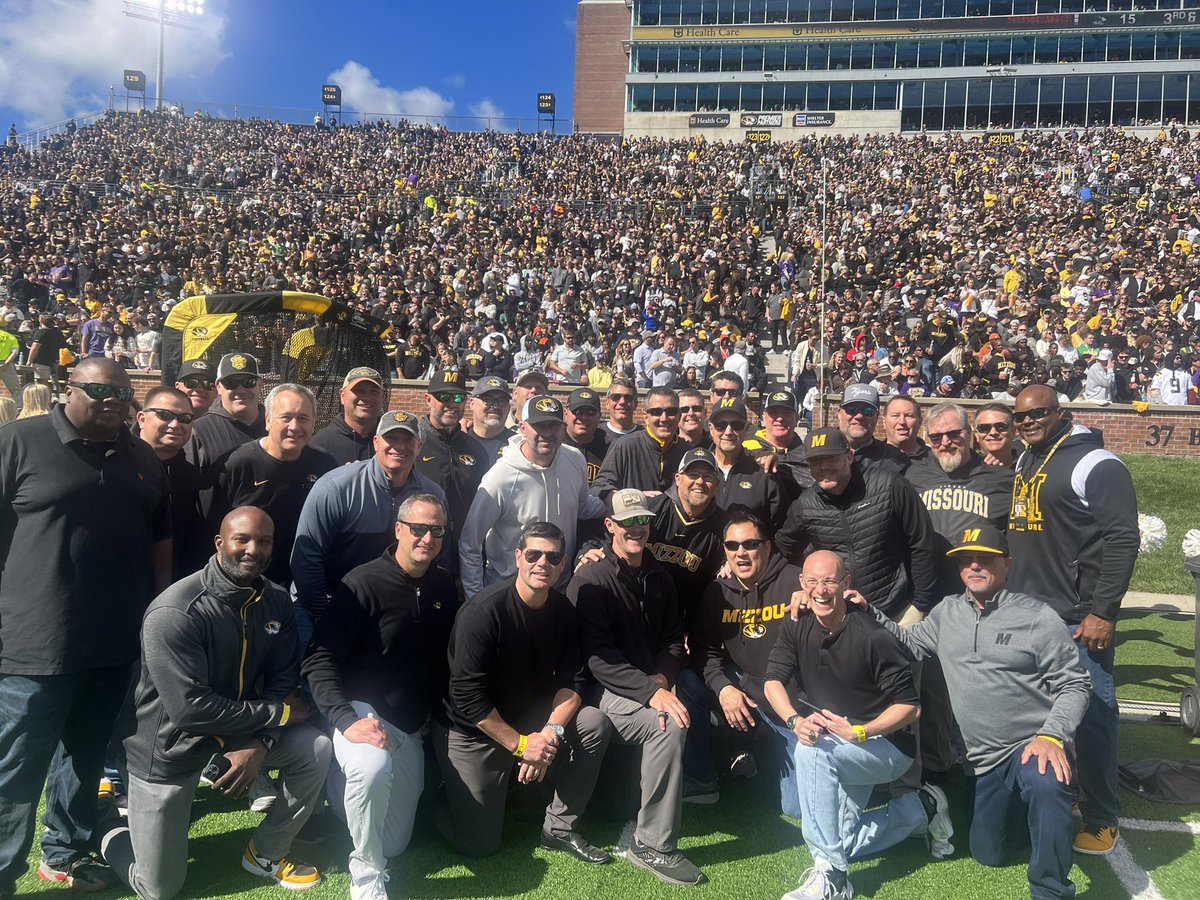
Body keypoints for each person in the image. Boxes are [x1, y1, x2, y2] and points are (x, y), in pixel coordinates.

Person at [0, 358, 171, 897]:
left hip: (114, 642)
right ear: (67, 389)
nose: (112, 399)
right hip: (34, 642)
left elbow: (158, 538)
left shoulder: (142, 457)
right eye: (98, 389)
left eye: (122, 391)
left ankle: (65, 852)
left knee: (86, 754)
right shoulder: (18, 442)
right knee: (15, 768)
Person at [98, 508, 331, 899]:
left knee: (315, 748)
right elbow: (190, 709)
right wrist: (278, 715)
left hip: (237, 734)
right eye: (242, 539)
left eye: (264, 541)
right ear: (220, 543)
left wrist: (261, 742)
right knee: (158, 888)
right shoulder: (175, 610)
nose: (253, 549)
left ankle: (266, 853)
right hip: (168, 750)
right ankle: (101, 819)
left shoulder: (276, 600)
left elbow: (282, 679)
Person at [853, 523, 1090, 900]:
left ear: (1007, 564)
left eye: (985, 559)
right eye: (966, 560)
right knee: (988, 854)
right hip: (981, 761)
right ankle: (1033, 820)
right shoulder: (947, 612)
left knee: (1047, 782)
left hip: (1031, 744)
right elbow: (909, 644)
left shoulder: (1038, 618)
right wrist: (868, 611)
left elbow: (1075, 684)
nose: (975, 566)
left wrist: (1051, 736)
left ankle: (1051, 888)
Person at [765, 551, 952, 900]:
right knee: (843, 840)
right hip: (839, 743)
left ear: (846, 584)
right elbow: (772, 680)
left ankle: (833, 878)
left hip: (887, 747)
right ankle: (922, 809)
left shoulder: (873, 636)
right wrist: (794, 720)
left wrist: (860, 732)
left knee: (811, 753)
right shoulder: (795, 623)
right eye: (812, 581)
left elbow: (910, 708)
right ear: (802, 584)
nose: (821, 590)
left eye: (830, 581)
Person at [302, 495, 460, 900]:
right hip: (362, 711)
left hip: (410, 723)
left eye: (437, 530)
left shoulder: (444, 585)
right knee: (371, 770)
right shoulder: (362, 583)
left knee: (395, 843)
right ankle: (366, 875)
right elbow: (319, 658)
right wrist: (345, 720)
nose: (428, 538)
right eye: (419, 528)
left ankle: (336, 784)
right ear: (399, 529)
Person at [1007, 385, 1139, 856]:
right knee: (1045, 714)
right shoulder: (1027, 458)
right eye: (1021, 416)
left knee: (1093, 716)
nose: (1028, 422)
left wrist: (1104, 611)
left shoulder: (1097, 463)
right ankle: (1070, 791)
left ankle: (1103, 818)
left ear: (1060, 412)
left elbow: (1123, 538)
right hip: (1030, 612)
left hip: (1077, 619)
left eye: (1038, 413)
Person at [436, 521, 612, 863]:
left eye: (553, 557)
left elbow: (574, 682)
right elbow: (467, 697)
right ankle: (432, 800)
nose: (542, 563)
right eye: (533, 554)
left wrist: (549, 733)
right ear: (518, 557)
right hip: (472, 730)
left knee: (593, 722)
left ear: (563, 563)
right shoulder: (483, 612)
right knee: (479, 844)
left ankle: (558, 826)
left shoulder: (564, 611)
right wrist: (521, 745)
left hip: (527, 716)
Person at [567, 491, 706, 887]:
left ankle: (649, 833)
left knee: (669, 716)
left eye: (642, 520)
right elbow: (598, 658)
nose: (636, 528)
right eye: (626, 521)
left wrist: (661, 679)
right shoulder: (590, 578)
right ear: (609, 525)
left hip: (643, 689)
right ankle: (653, 846)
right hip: (598, 692)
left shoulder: (660, 575)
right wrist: (651, 692)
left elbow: (673, 639)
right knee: (669, 722)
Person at [684, 512, 805, 818]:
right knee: (687, 682)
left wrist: (816, 598)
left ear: (767, 547)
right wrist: (723, 688)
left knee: (796, 809)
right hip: (743, 685)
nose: (741, 552)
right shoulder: (717, 591)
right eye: (732, 545)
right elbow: (704, 650)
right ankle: (702, 777)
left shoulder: (796, 581)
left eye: (750, 544)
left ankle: (755, 744)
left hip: (789, 701)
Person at [290, 411, 446, 642]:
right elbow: (306, 558)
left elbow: (438, 556)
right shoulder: (335, 487)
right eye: (391, 438)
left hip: (388, 611)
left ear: (419, 446)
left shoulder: (432, 495)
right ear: (376, 442)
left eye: (408, 440)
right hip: (324, 606)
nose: (399, 446)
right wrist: (324, 614)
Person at [775, 428, 939, 621]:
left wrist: (920, 603)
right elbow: (783, 550)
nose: (824, 466)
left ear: (849, 457)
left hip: (896, 610)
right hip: (840, 615)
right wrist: (805, 587)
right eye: (815, 461)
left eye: (831, 458)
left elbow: (922, 543)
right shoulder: (805, 505)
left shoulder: (890, 486)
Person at [459, 396, 605, 597]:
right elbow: (470, 543)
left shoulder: (574, 459)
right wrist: (475, 599)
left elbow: (583, 507)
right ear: (522, 428)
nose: (547, 432)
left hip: (560, 592)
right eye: (539, 425)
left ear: (563, 428)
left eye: (553, 425)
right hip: (510, 593)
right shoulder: (500, 477)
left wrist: (621, 501)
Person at [215, 383, 335, 586]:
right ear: (268, 420)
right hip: (245, 582)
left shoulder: (324, 463)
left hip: (303, 580)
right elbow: (209, 527)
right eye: (286, 417)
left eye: (303, 418)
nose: (294, 427)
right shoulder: (236, 464)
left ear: (313, 424)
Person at [136, 386, 209, 579]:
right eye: (165, 415)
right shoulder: (115, 465)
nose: (176, 424)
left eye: (185, 418)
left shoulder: (192, 478)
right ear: (142, 419)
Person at [188, 352, 267, 515]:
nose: (241, 389)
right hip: (216, 528)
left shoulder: (278, 425)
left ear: (260, 384)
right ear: (218, 387)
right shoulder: (199, 431)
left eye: (248, 382)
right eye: (231, 383)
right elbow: (186, 494)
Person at [415, 370, 487, 539]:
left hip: (465, 543)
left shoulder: (476, 448)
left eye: (458, 398)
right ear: (428, 399)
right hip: (424, 541)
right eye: (444, 397)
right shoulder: (413, 444)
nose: (452, 404)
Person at [591, 386, 687, 500]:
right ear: (646, 417)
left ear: (679, 416)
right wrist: (633, 497)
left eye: (671, 412)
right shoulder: (625, 446)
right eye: (656, 412)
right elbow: (598, 488)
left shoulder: (686, 452)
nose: (664, 418)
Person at [707, 398, 787, 528]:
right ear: (711, 429)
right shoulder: (698, 468)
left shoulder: (764, 472)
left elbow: (781, 526)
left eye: (737, 425)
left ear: (746, 428)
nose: (728, 432)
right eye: (720, 425)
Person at [744, 388, 809, 502]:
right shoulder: (744, 447)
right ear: (764, 416)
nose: (780, 418)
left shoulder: (807, 456)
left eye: (787, 413)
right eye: (773, 413)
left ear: (797, 418)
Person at [310, 367, 386, 466]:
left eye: (374, 391)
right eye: (359, 390)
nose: (367, 397)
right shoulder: (320, 445)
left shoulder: (392, 442)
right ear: (342, 395)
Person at [837, 383, 909, 472]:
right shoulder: (820, 450)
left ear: (877, 415)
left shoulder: (895, 460)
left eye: (868, 410)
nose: (859, 416)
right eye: (852, 409)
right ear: (839, 413)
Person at [563, 387, 609, 484]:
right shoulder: (554, 444)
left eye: (590, 412)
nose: (584, 417)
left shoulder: (610, 449)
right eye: (578, 412)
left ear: (599, 416)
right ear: (566, 413)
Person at [465, 375, 514, 464]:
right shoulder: (458, 441)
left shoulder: (517, 445)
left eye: (502, 401)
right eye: (487, 399)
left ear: (508, 408)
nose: (495, 406)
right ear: (472, 403)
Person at [883, 395, 926, 460]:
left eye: (909, 416)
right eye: (895, 415)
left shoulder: (935, 461)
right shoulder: (871, 459)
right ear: (884, 422)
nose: (902, 422)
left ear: (919, 422)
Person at [974, 403, 1016, 467]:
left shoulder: (1027, 464)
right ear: (976, 435)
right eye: (984, 427)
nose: (993, 432)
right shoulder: (968, 470)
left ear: (1013, 431)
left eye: (1001, 426)